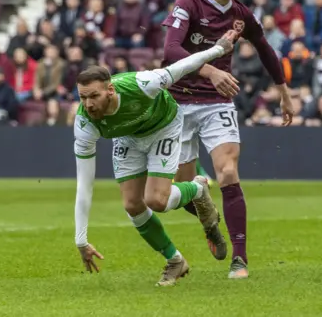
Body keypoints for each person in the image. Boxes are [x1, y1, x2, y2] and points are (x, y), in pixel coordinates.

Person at [162, 0, 294, 279]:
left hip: (216, 104)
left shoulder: (241, 14)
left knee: (228, 172)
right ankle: (210, 220)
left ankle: (240, 259)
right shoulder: (188, 4)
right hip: (177, 103)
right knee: (181, 187)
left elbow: (263, 48)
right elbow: (171, 50)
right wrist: (210, 69)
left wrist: (282, 90)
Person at [73, 32, 237, 287]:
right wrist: (81, 240)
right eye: (82, 97)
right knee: (132, 204)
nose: (88, 104)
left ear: (110, 90)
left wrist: (218, 49)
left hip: (164, 127)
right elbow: (84, 184)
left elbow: (181, 67)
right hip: (128, 138)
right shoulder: (84, 123)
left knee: (157, 201)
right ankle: (175, 261)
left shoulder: (141, 84)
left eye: (93, 96)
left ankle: (197, 188)